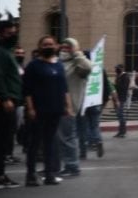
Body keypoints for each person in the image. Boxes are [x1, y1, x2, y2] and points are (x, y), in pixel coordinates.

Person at [23, 35, 71, 187]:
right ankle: (31, 175)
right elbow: (27, 90)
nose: (48, 46)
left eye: (51, 44)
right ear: (39, 47)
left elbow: (65, 89)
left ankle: (49, 173)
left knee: (50, 142)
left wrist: (68, 106)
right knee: (35, 143)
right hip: (38, 110)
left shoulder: (59, 65)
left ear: (56, 46)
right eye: (45, 44)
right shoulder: (33, 65)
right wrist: (30, 108)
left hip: (55, 110)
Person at [53, 38, 91, 177]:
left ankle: (73, 166)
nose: (64, 49)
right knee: (59, 138)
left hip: (69, 106)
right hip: (53, 105)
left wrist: (76, 53)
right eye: (63, 46)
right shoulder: (58, 61)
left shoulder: (77, 64)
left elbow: (88, 68)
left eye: (68, 47)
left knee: (68, 137)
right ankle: (62, 165)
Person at [0, 20, 22, 189]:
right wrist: (5, 98)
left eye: (14, 32)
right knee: (0, 141)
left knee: (4, 141)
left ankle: (0, 173)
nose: (13, 35)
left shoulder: (7, 52)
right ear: (1, 33)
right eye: (9, 33)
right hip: (6, 103)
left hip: (11, 101)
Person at [113, 64, 131, 138]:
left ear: (122, 68)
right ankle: (120, 131)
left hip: (121, 98)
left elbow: (123, 88)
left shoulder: (125, 77)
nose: (116, 69)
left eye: (117, 68)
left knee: (121, 115)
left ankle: (123, 132)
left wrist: (115, 85)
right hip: (116, 98)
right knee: (119, 115)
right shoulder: (118, 76)